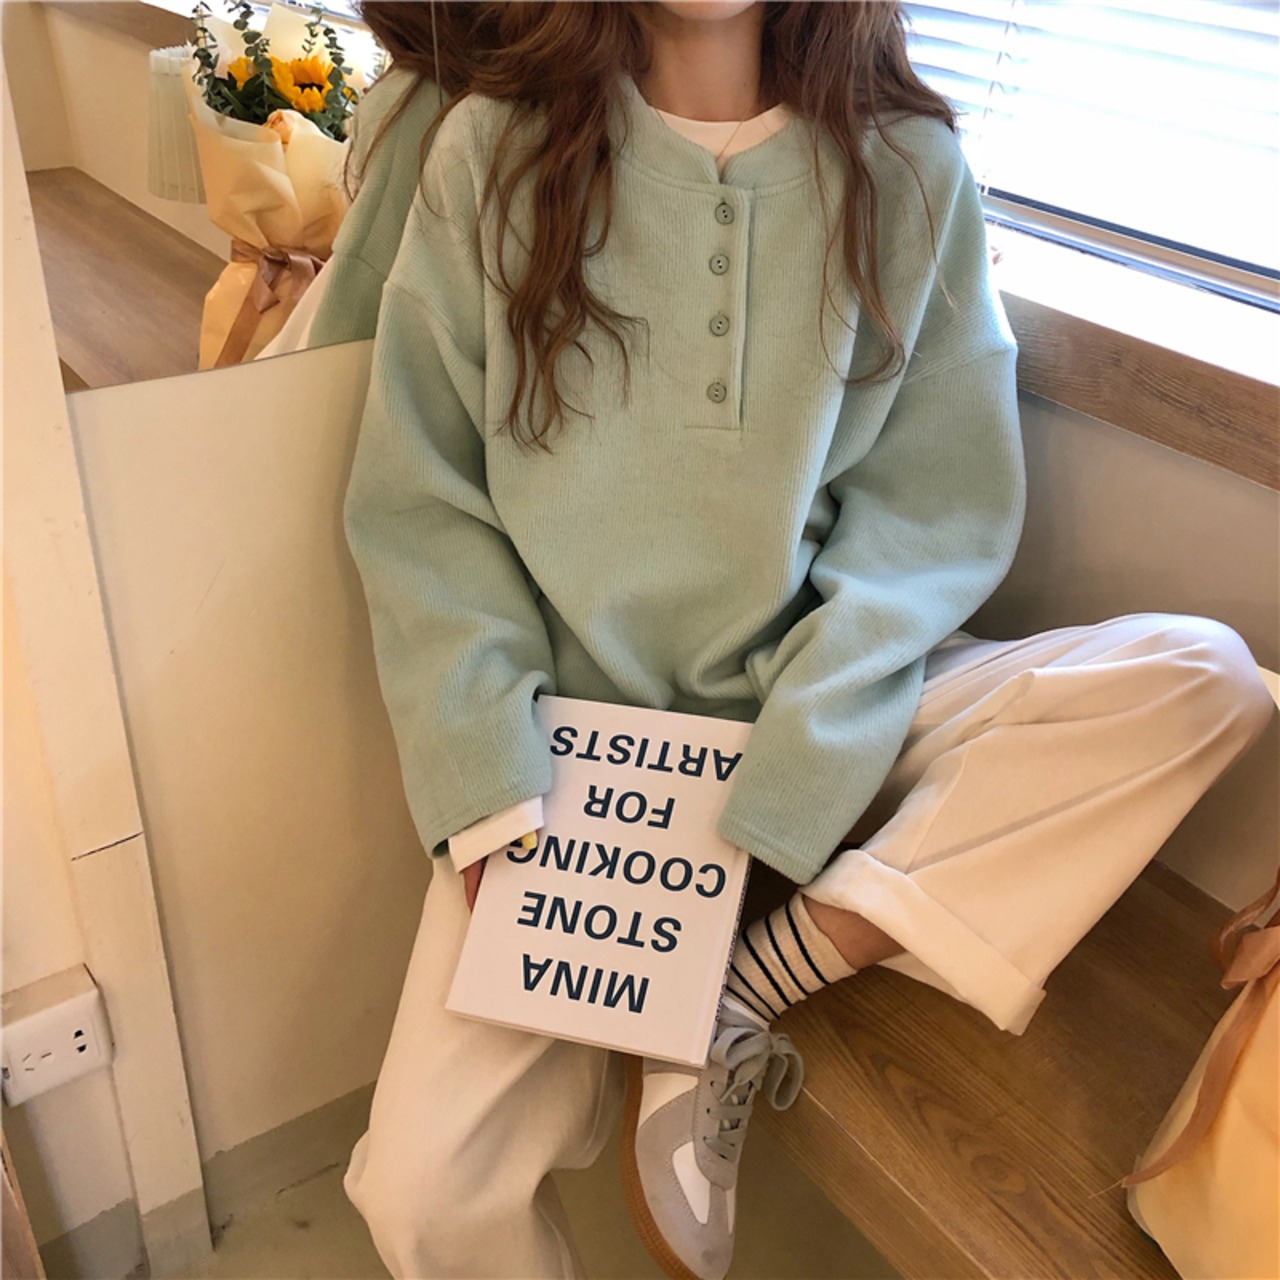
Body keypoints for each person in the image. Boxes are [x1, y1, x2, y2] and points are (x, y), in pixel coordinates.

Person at [336, 3, 1277, 1278]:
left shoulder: (907, 171)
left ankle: (738, 991)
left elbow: (929, 516)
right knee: (419, 1190)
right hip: (579, 772)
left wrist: (803, 763)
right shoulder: (492, 153)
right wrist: (488, 789)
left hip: (825, 701)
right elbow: (421, 510)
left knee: (1201, 676)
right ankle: (691, 971)